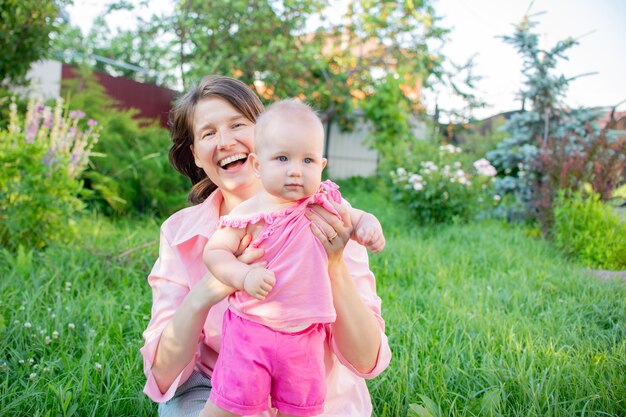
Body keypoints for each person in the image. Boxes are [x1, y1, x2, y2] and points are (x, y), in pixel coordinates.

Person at [140, 75, 391, 417]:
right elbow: (163, 376)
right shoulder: (180, 233)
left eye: (237, 124)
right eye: (208, 133)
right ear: (195, 154)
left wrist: (334, 265)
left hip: (316, 395)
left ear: (265, 135)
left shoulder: (326, 214)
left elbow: (366, 360)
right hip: (224, 391)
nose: (225, 141)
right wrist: (209, 290)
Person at [202, 99, 385, 416]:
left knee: (300, 409)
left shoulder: (323, 202)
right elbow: (215, 252)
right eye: (283, 158)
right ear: (259, 165)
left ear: (322, 166)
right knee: (228, 406)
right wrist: (242, 276)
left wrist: (369, 226)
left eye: (308, 160)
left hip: (304, 337)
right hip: (250, 331)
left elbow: (356, 218)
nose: (295, 171)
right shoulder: (251, 212)